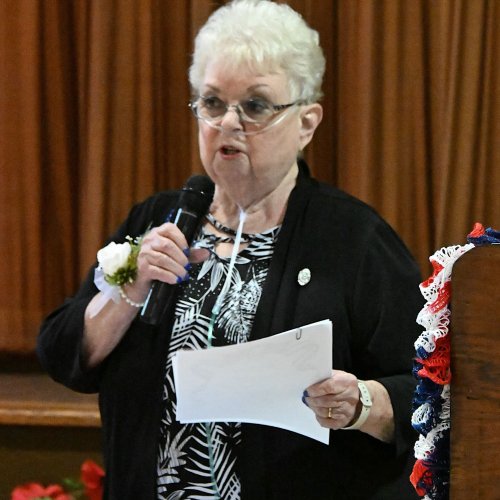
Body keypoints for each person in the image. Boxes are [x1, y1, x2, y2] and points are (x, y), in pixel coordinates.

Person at [37, 1, 422, 498]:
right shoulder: (155, 220)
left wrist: (363, 404)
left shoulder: (353, 239)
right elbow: (63, 353)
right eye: (213, 103)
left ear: (306, 123)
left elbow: (430, 393)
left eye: (256, 106)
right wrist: (128, 290)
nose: (228, 123)